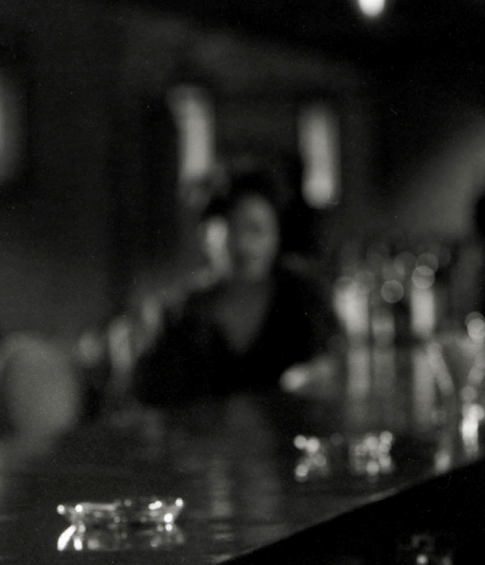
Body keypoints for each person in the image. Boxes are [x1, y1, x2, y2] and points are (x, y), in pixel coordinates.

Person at [132, 170, 338, 406]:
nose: (244, 245)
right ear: (205, 236)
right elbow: (152, 399)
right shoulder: (180, 312)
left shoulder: (303, 294)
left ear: (276, 234)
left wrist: (319, 375)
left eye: (256, 229)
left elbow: (335, 357)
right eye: (231, 229)